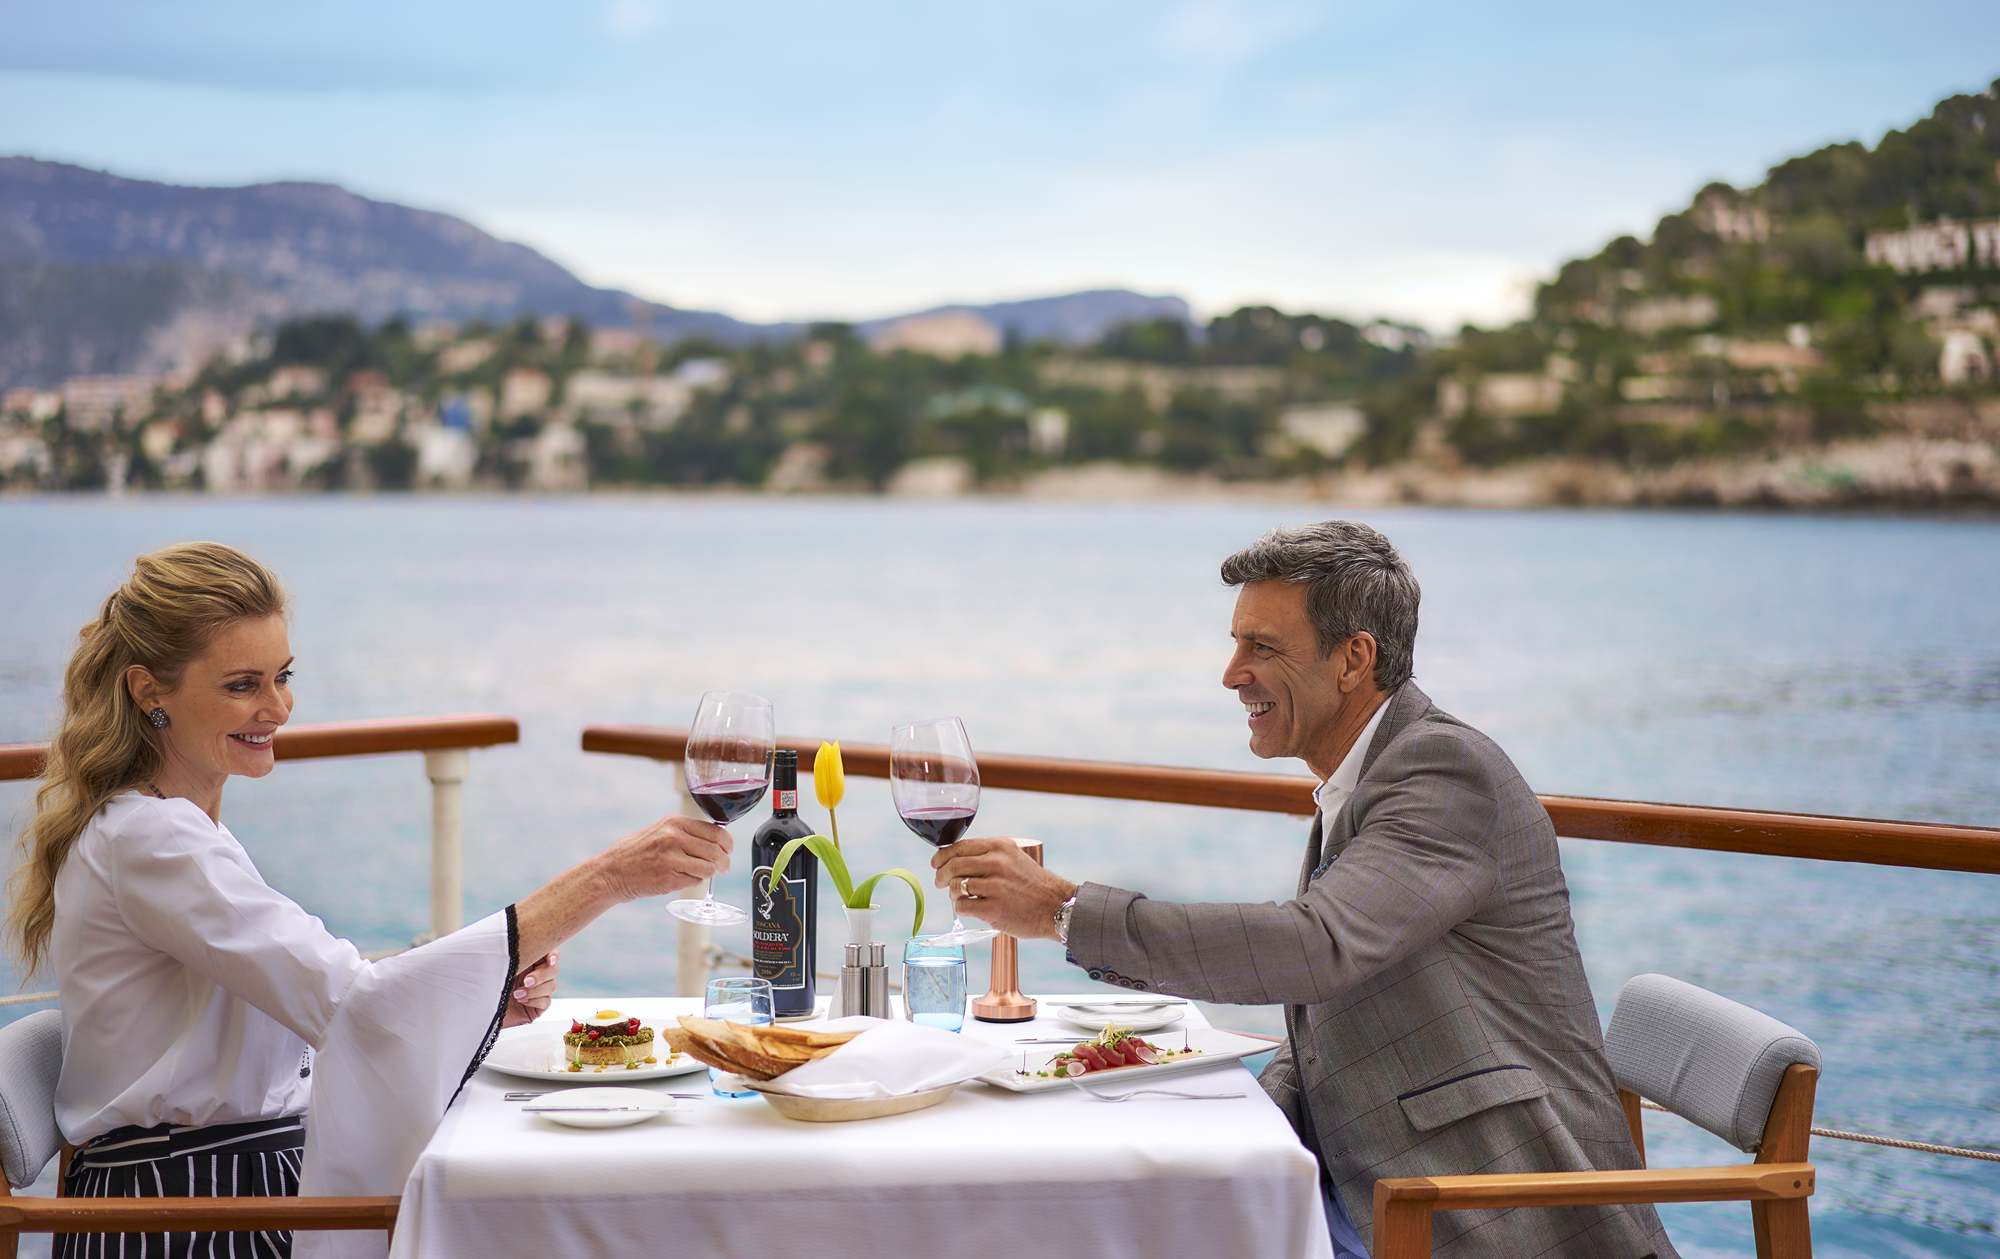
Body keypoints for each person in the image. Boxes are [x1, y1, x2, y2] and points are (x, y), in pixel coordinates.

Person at [934, 521, 1677, 1259]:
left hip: (1483, 1211)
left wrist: (1061, 911)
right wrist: (1251, 1115)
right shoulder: (1368, 775)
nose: (1232, 674)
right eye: (1236, 644)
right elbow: (1330, 1009)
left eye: (1262, 647)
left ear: (1354, 659)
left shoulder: (1445, 772)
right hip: (1381, 1187)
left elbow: (1314, 948)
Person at [9, 542, 732, 1259]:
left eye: (283, 676)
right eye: (242, 685)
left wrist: (480, 995)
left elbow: (319, 989)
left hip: (218, 1189)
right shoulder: (154, 839)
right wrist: (606, 879)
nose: (277, 707)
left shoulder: (171, 826)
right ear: (149, 691)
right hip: (187, 1218)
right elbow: (354, 1001)